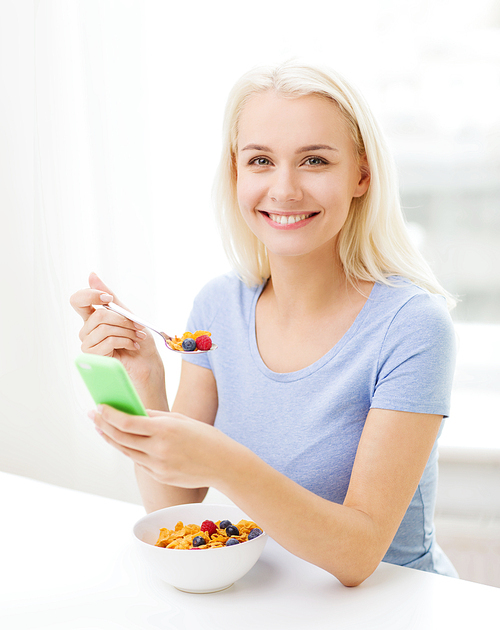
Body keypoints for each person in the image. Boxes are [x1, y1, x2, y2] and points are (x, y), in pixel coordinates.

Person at [70, 60, 458, 587]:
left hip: (395, 605)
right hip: (274, 597)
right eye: (260, 161)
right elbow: (176, 507)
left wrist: (227, 465)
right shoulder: (216, 308)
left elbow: (359, 554)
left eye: (315, 160)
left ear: (361, 175)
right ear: (236, 173)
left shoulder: (414, 327)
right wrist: (145, 382)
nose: (285, 189)